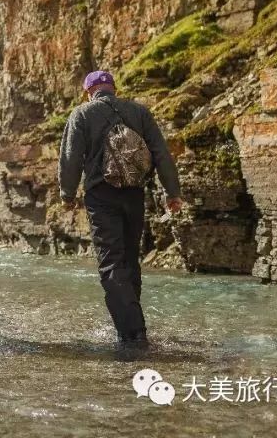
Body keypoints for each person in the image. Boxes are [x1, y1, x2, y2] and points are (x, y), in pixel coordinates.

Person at [58, 70, 183, 349]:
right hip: (135, 195)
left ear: (88, 92)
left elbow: (70, 158)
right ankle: (132, 326)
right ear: (113, 88)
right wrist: (172, 193)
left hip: (101, 196)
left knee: (111, 263)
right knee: (129, 260)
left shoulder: (81, 115)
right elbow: (161, 153)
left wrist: (67, 195)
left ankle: (132, 334)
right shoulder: (139, 112)